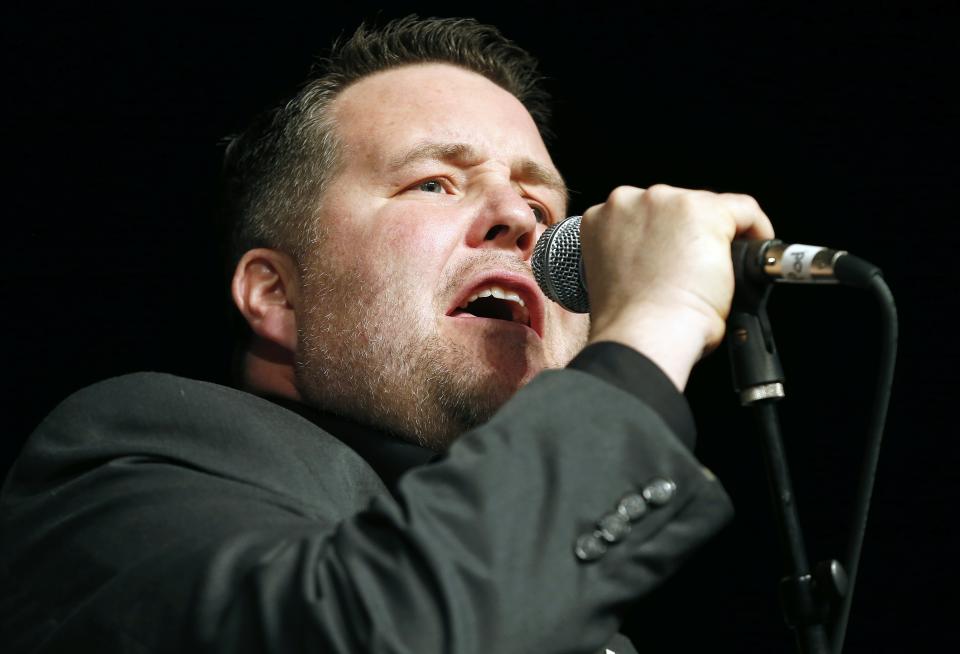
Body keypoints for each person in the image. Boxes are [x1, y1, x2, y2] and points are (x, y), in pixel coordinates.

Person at [0, 16, 774, 654]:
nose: (519, 221)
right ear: (276, 294)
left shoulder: (583, 611)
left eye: (544, 208)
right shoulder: (134, 456)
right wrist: (657, 318)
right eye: (434, 182)